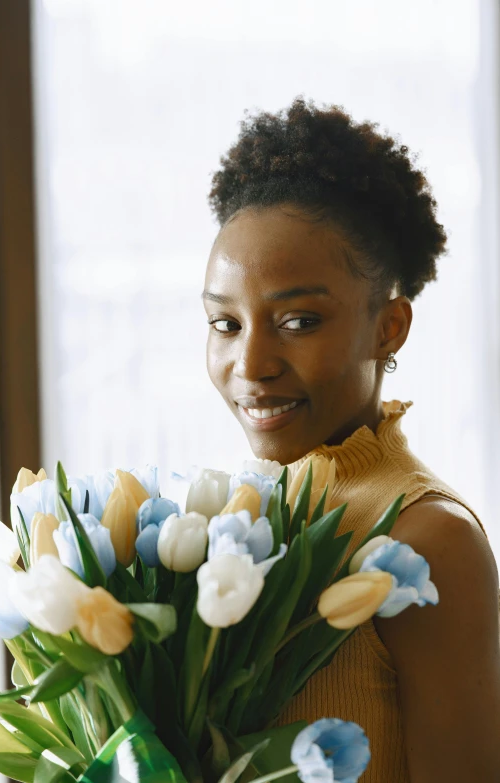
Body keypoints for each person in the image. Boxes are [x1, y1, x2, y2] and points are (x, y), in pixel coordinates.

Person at [202, 97, 500, 782]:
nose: (251, 365)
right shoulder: (240, 510)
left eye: (300, 320)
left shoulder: (426, 540)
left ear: (388, 327)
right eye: (225, 324)